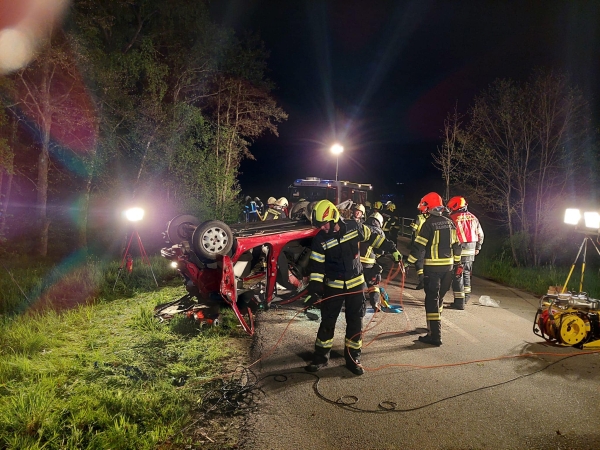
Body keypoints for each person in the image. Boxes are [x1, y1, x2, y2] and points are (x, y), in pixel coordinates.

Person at [304, 200, 402, 375]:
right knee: (327, 322)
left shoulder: (353, 227)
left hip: (356, 285)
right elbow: (317, 267)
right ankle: (320, 358)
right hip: (333, 287)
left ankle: (353, 359)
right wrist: (313, 291)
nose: (323, 228)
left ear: (334, 217)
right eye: (320, 225)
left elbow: (374, 237)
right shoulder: (319, 239)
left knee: (355, 322)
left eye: (325, 224)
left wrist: (391, 248)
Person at [405, 192, 461, 346]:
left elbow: (419, 248)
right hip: (448, 269)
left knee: (431, 300)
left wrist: (407, 263)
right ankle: (432, 328)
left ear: (429, 207)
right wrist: (457, 264)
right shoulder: (450, 222)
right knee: (440, 299)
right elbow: (457, 247)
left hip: (433, 270)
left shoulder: (428, 224)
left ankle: (435, 336)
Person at [445, 196, 484, 309]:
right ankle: (466, 297)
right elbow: (480, 234)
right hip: (471, 251)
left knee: (457, 276)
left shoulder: (452, 218)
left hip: (459, 252)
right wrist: (478, 247)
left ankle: (459, 302)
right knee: (466, 274)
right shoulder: (473, 217)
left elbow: (449, 237)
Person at [361, 211, 398, 312]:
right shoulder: (379, 232)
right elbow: (381, 250)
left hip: (355, 262)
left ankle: (358, 304)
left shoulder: (361, 227)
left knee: (357, 285)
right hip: (369, 262)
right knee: (373, 283)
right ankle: (375, 303)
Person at [410, 203, 429, 290]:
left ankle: (422, 280)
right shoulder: (431, 218)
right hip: (430, 244)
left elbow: (413, 229)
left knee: (418, 262)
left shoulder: (419, 217)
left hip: (420, 243)